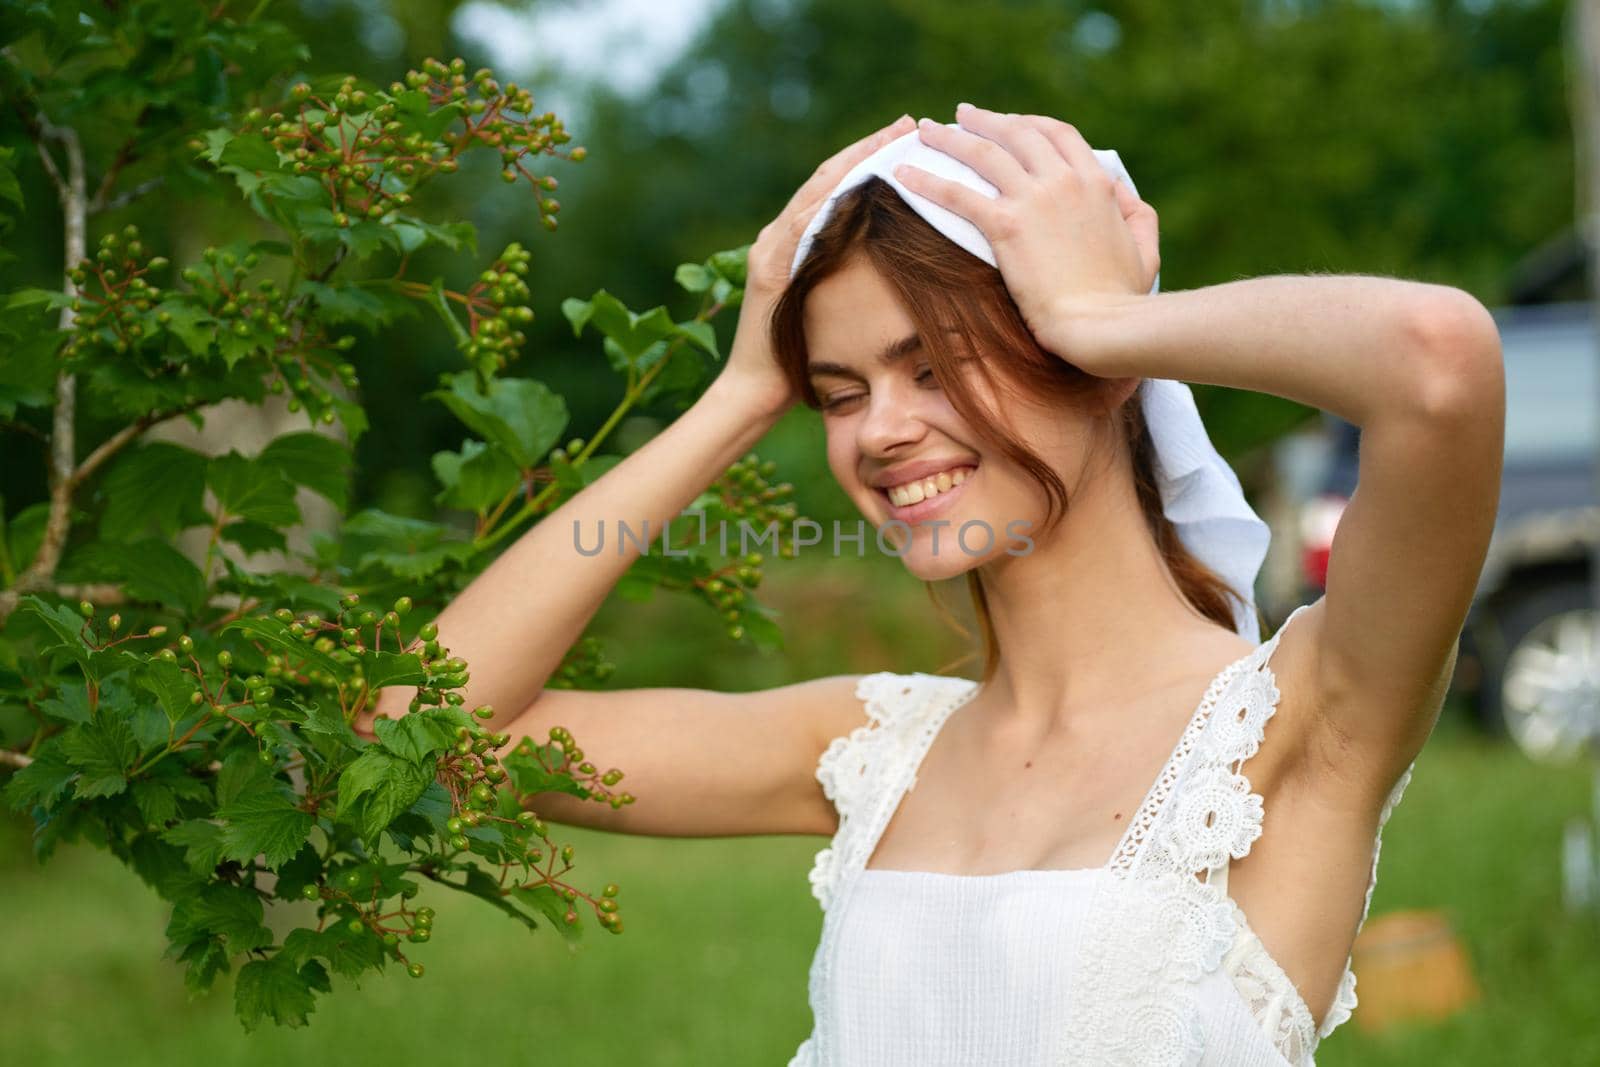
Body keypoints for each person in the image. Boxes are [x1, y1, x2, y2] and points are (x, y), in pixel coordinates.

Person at [365, 106, 1505, 1065]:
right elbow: (423, 733)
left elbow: (1438, 364)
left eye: (933, 362)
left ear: (1099, 373)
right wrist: (738, 398)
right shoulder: (872, 744)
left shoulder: (1307, 715)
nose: (883, 431)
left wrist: (1102, 317)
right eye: (841, 390)